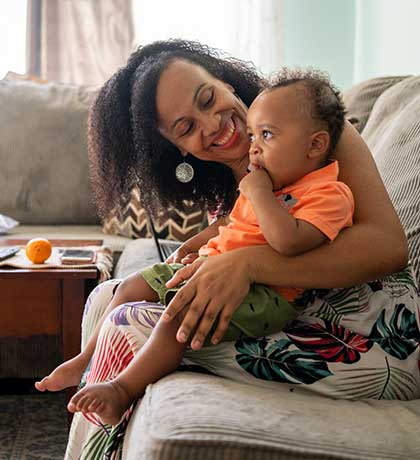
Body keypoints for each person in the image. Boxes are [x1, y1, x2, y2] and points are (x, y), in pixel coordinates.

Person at [51, 40, 417, 459]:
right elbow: (232, 233)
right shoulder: (228, 173)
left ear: (226, 81)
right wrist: (194, 261)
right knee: (109, 295)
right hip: (288, 317)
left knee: (129, 322)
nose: (211, 125)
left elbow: (388, 247)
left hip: (367, 336)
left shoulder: (310, 131)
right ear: (176, 149)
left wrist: (245, 264)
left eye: (208, 99)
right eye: (186, 128)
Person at [40, 70, 356, 426]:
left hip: (268, 294)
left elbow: (289, 241)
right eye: (254, 135)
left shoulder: (327, 192)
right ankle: (84, 362)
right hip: (218, 268)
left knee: (175, 317)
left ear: (315, 145)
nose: (253, 146)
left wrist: (259, 194)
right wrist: (189, 247)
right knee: (127, 288)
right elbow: (230, 224)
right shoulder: (270, 179)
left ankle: (120, 390)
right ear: (179, 148)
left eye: (265, 135)